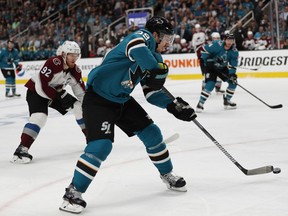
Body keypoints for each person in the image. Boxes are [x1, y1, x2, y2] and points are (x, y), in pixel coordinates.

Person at [59, 16, 197, 214]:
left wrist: (173, 106)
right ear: (155, 34)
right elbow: (136, 47)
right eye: (166, 38)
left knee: (153, 134)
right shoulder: (142, 37)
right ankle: (73, 192)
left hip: (121, 99)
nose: (169, 43)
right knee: (101, 146)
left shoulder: (157, 59)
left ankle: (167, 174)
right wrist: (155, 69)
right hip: (98, 99)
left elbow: (152, 93)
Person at [11, 41, 86, 164]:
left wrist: (88, 106)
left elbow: (81, 92)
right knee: (39, 117)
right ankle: (21, 150)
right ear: (63, 54)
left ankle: (92, 139)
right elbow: (41, 85)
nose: (75, 58)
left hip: (55, 93)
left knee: (79, 107)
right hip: (35, 90)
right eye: (71, 55)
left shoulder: (75, 71)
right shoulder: (54, 62)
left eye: (76, 55)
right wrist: (58, 95)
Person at [196, 33, 239, 113]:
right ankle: (200, 103)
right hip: (210, 67)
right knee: (210, 84)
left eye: (231, 40)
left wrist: (232, 74)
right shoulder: (216, 44)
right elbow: (204, 51)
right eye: (228, 40)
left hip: (222, 68)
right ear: (224, 40)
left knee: (233, 82)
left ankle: (227, 101)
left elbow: (233, 65)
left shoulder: (234, 51)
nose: (230, 42)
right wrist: (208, 61)